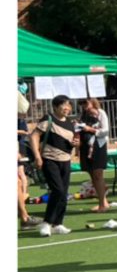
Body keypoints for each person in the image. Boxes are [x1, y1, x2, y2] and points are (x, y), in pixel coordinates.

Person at [29, 94, 76, 236]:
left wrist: (75, 144)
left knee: (64, 193)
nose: (67, 108)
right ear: (55, 107)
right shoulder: (48, 119)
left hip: (66, 160)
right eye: (64, 105)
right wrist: (37, 156)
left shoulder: (69, 122)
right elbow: (34, 136)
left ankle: (58, 223)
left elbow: (69, 141)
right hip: (49, 160)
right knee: (58, 191)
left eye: (68, 105)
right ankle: (47, 223)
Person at [79, 98, 110, 212]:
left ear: (92, 102)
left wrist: (90, 129)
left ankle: (102, 204)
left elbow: (106, 131)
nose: (83, 106)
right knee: (92, 174)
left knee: (98, 173)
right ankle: (104, 201)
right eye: (82, 103)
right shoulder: (83, 114)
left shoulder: (101, 113)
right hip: (86, 146)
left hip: (98, 145)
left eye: (85, 102)